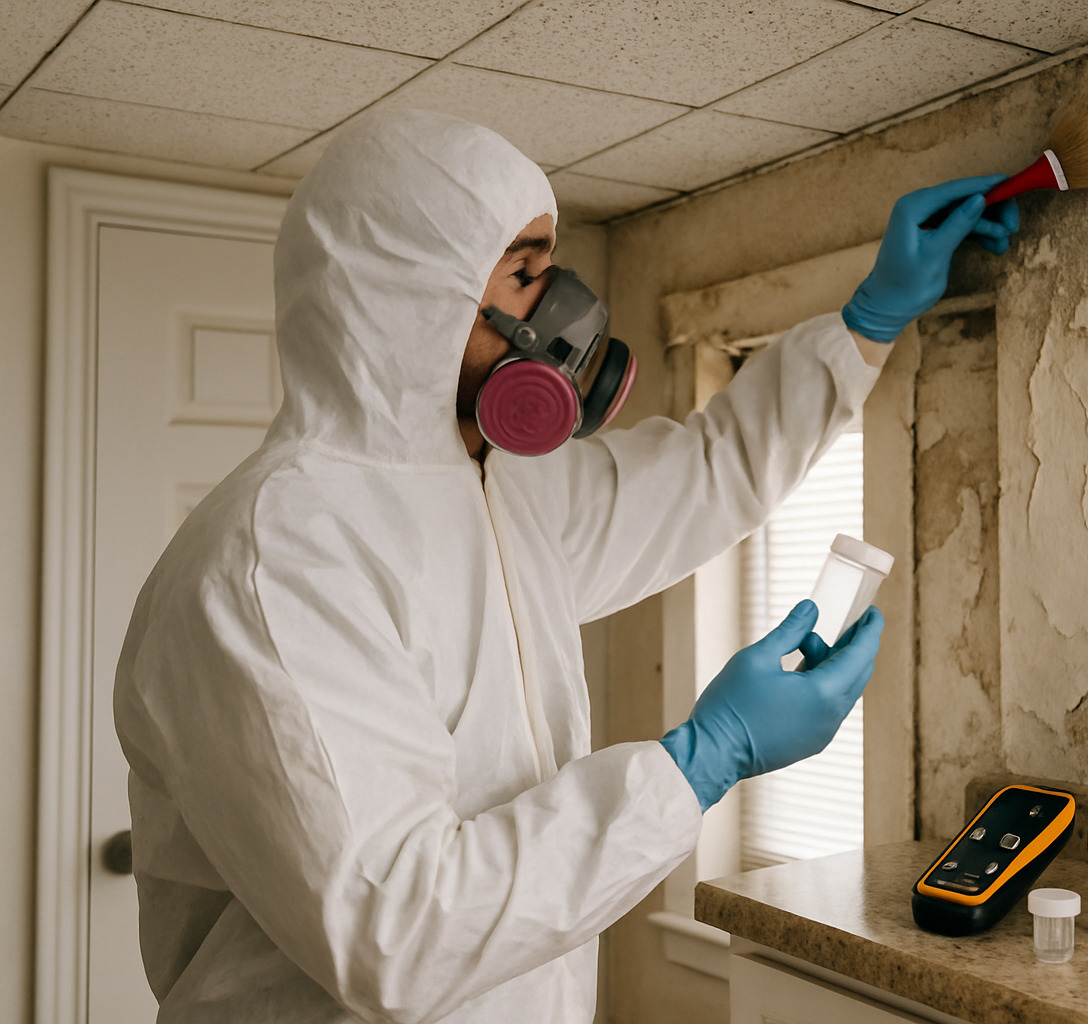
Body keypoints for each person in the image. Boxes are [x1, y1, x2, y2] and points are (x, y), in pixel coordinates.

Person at [113, 109, 1018, 1023]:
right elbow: (396, 932)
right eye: (526, 274)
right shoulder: (275, 563)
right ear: (414, 299)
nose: (565, 310)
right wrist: (698, 763)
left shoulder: (504, 488)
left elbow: (709, 473)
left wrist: (868, 321)